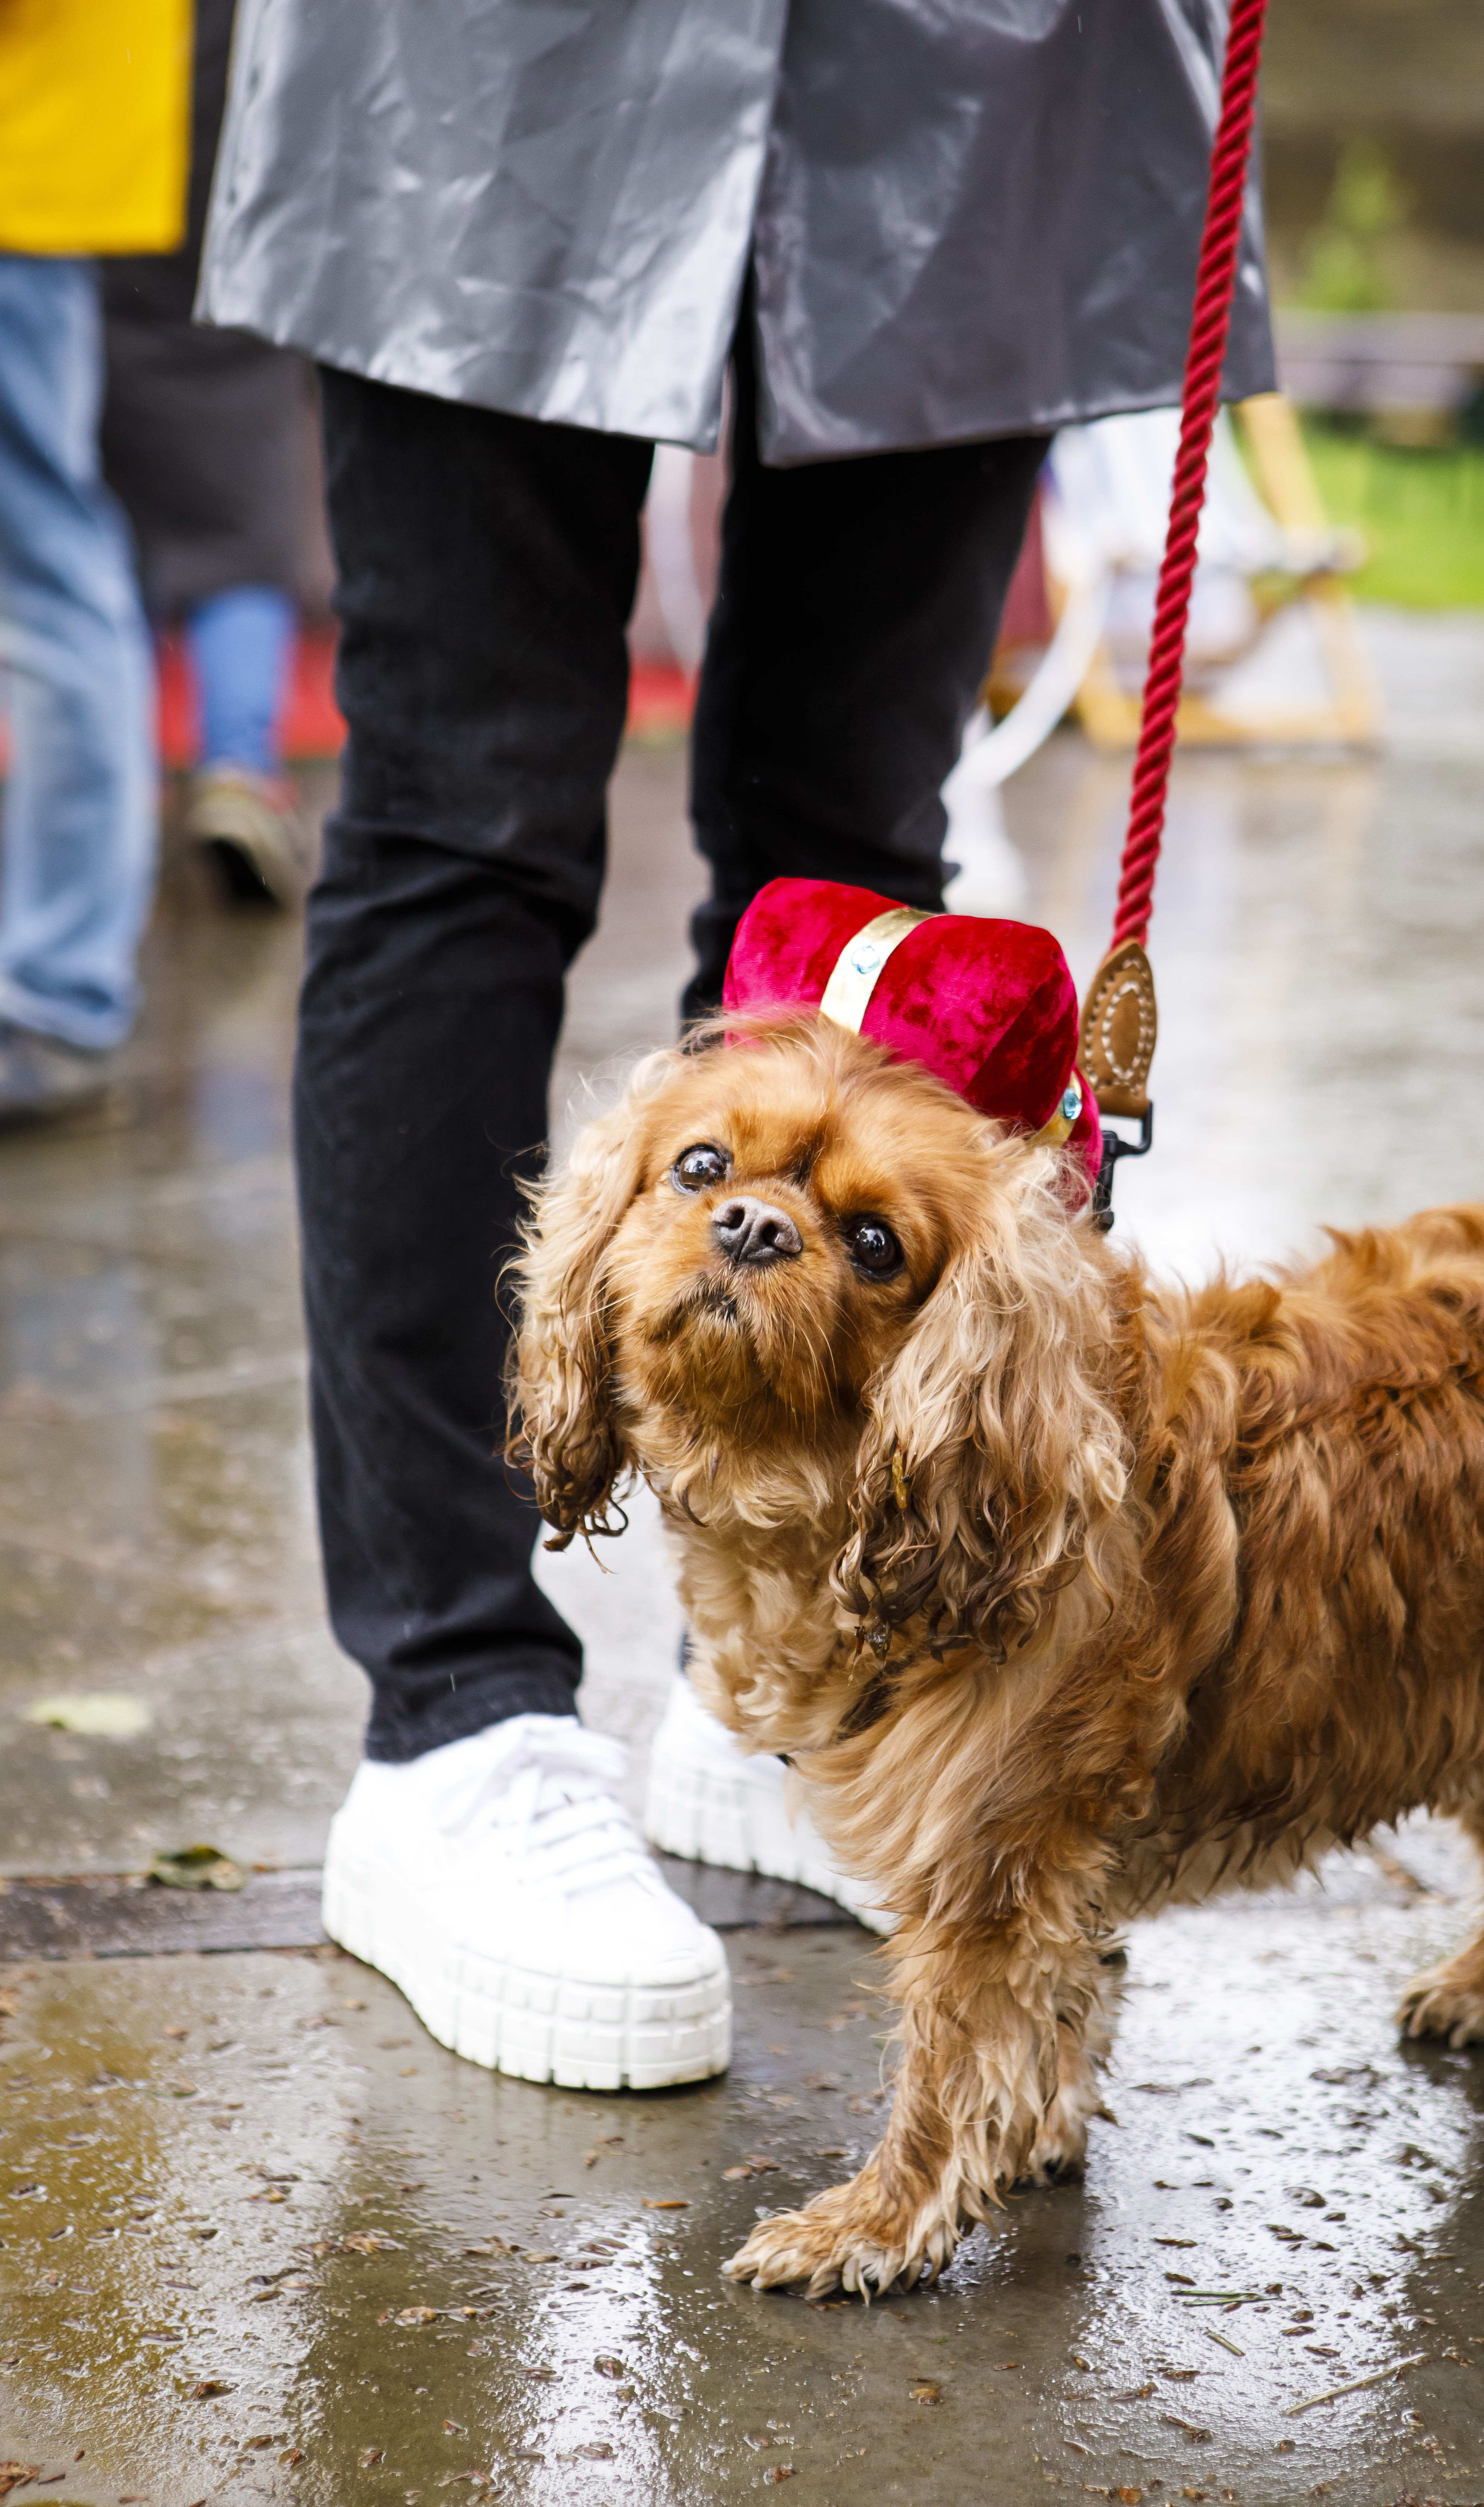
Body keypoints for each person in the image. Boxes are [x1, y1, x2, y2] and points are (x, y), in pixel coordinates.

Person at [199, 0, 1275, 2089]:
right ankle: (458, 1711)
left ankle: (786, 1653)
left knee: (856, 851)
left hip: (974, 54)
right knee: (462, 814)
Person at [0, 0, 189, 1126]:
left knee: (46, 580)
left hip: (26, 142)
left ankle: (58, 993)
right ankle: (57, 986)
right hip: (37, 146)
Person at [102, 0, 317, 913]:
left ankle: (111, 790)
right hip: (239, 284)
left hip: (108, 272)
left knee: (102, 546)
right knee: (244, 547)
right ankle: (236, 767)